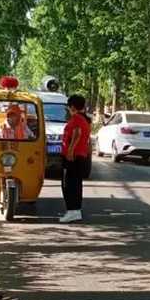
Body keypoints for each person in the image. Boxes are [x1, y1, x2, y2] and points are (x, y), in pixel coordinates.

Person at [60, 94, 91, 223]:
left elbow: (77, 133)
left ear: (72, 106)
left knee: (69, 184)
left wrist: (71, 150)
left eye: (69, 106)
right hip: (79, 155)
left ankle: (72, 210)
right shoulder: (84, 119)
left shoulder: (77, 118)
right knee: (74, 184)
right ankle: (74, 211)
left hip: (74, 156)